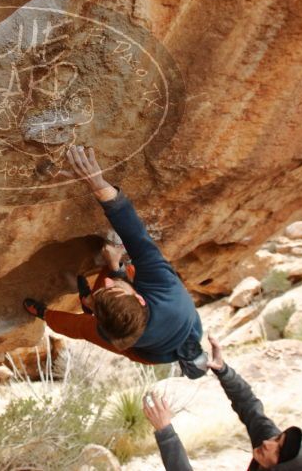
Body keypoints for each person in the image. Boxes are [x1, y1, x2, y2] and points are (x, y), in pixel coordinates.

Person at [23, 145, 207, 378]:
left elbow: (111, 313)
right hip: (151, 316)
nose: (109, 284)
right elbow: (134, 234)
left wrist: (113, 279)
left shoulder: (127, 343)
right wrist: (98, 184)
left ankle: (46, 314)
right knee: (119, 273)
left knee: (81, 327)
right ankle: (93, 298)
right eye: (113, 288)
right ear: (141, 297)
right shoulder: (166, 290)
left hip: (136, 344)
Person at [143, 335, 302, 470]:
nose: (269, 442)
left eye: (278, 450)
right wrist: (224, 371)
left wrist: (165, 432)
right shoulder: (270, 444)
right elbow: (250, 406)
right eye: (279, 438)